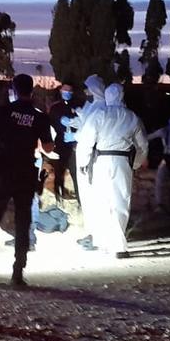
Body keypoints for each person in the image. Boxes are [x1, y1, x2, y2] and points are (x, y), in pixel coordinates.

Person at [0, 74, 54, 286]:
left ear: (13, 90)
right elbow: (48, 147)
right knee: (22, 222)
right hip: (26, 174)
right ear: (32, 91)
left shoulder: (3, 112)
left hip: (3, 173)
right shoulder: (39, 117)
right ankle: (17, 273)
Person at [74, 83, 148, 258]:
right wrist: (136, 163)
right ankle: (118, 246)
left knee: (103, 201)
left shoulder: (99, 114)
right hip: (122, 162)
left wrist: (83, 162)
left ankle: (108, 243)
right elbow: (142, 145)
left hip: (101, 162)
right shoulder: (132, 117)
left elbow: (86, 140)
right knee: (121, 201)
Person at [70, 74, 107, 250]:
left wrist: (76, 134)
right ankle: (92, 232)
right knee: (87, 197)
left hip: (92, 157)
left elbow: (89, 132)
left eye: (87, 88)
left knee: (94, 197)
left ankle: (97, 235)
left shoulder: (102, 107)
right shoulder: (93, 106)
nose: (85, 92)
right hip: (85, 154)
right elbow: (84, 122)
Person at [45, 83, 81, 200]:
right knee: (59, 172)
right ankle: (58, 197)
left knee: (75, 173)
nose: (67, 93)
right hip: (59, 144)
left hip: (74, 144)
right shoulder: (55, 108)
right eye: (65, 91)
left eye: (69, 91)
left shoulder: (78, 107)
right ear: (61, 91)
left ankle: (80, 199)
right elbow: (49, 127)